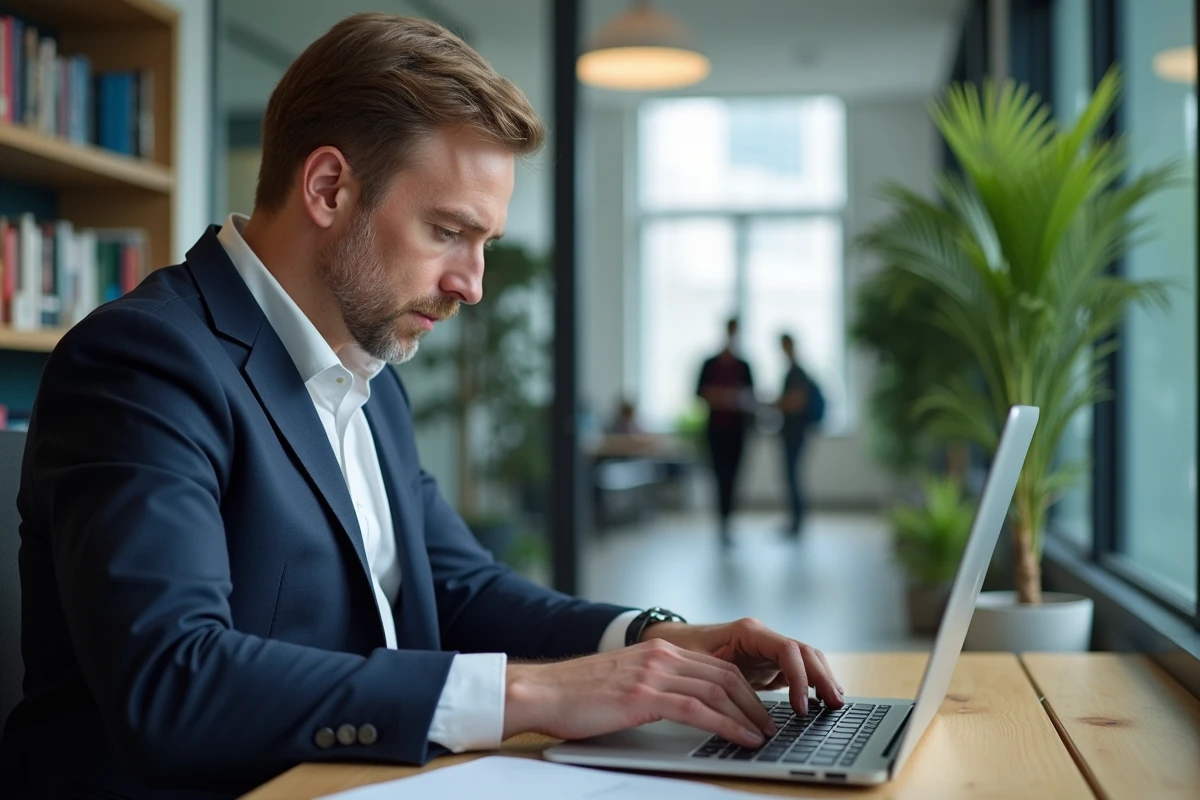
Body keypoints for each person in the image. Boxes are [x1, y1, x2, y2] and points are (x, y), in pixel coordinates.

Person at [0, 15, 843, 799]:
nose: (471, 284)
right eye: (449, 231)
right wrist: (533, 692)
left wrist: (651, 640)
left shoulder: (370, 378)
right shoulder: (146, 361)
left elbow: (457, 585)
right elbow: (173, 682)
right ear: (328, 188)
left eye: (484, 244)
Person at [696, 318, 755, 545]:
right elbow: (700, 392)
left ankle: (729, 520)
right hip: (715, 430)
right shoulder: (709, 364)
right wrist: (720, 396)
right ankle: (722, 520)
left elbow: (751, 396)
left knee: (734, 477)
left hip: (737, 431)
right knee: (719, 475)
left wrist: (733, 398)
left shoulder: (744, 366)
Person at [777, 333, 824, 536]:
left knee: (793, 477)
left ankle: (797, 522)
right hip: (792, 432)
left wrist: (774, 403)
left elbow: (796, 402)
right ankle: (795, 521)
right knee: (792, 477)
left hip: (795, 432)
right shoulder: (793, 371)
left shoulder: (797, 373)